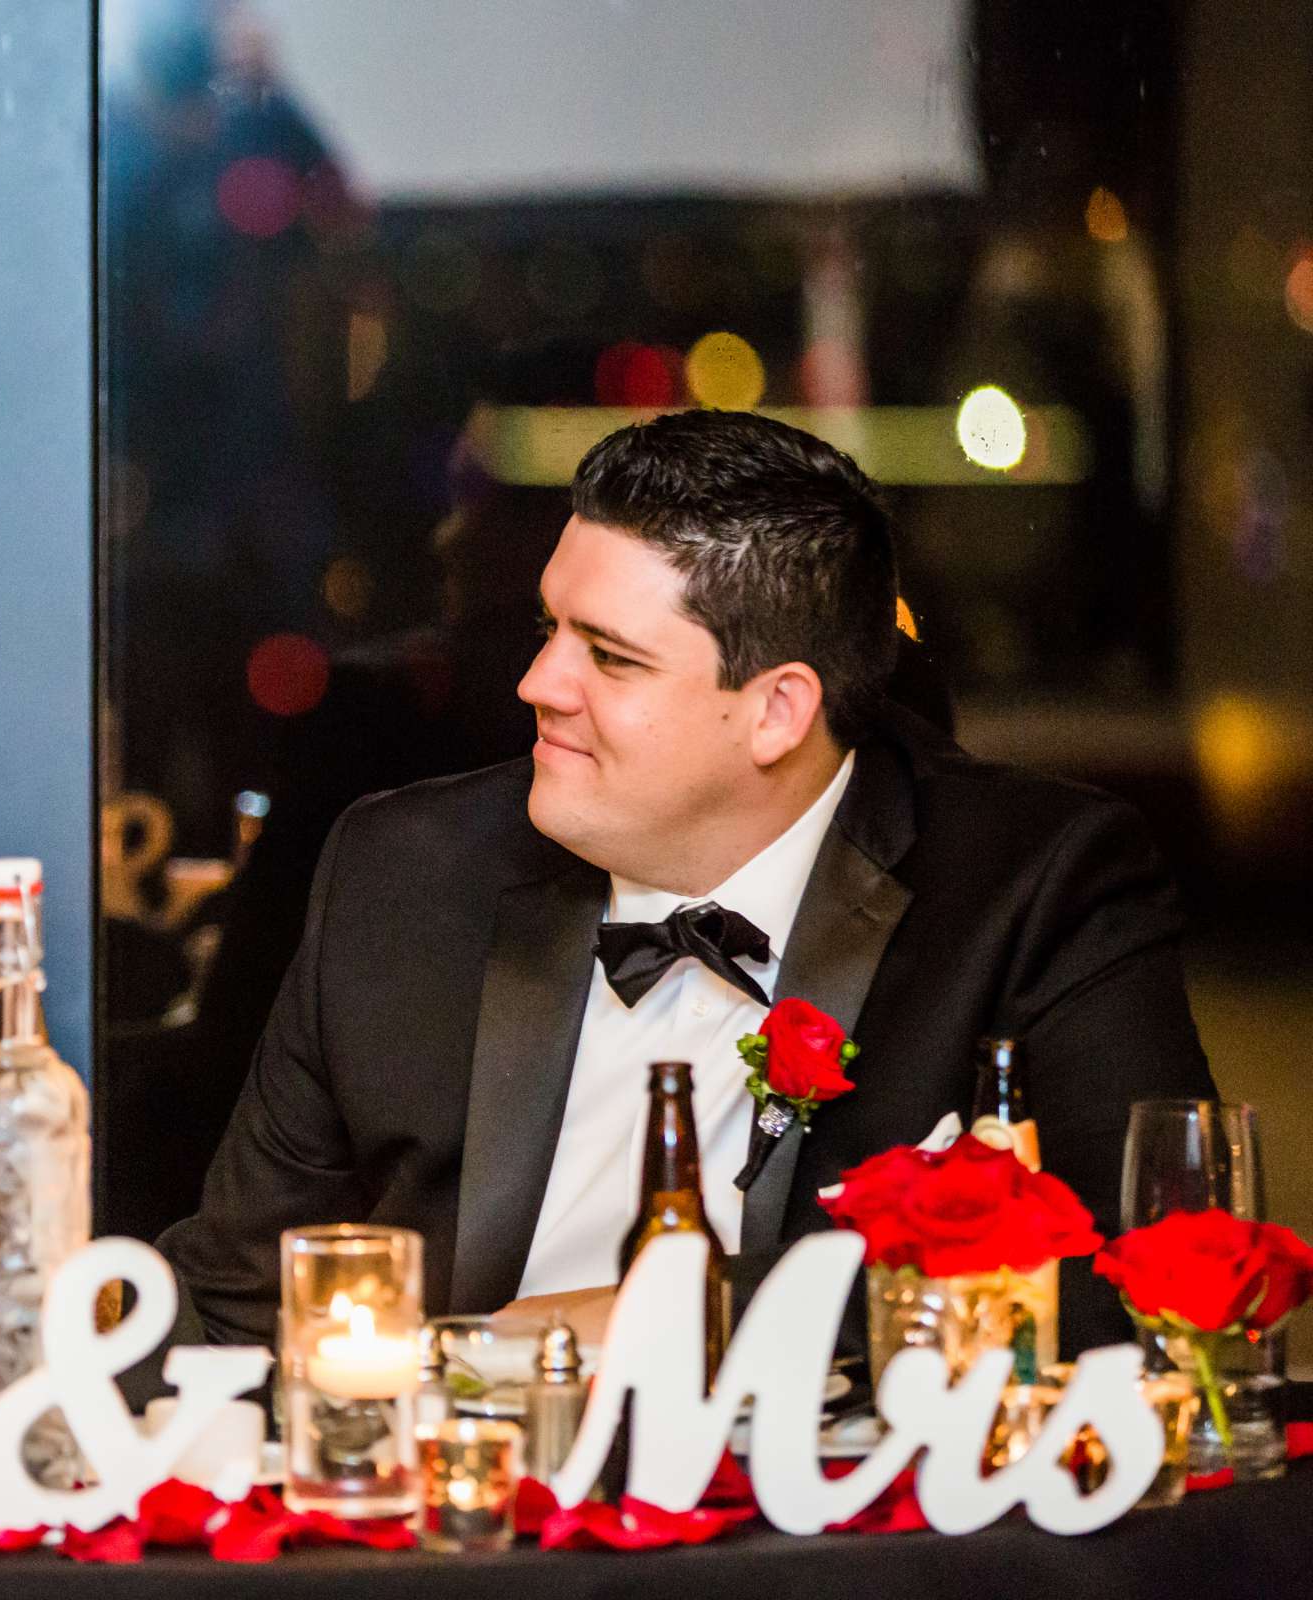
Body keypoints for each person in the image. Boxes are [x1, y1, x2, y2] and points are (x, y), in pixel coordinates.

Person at [151, 408, 1212, 1379]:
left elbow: (1150, 1286)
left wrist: (680, 1317)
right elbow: (236, 1298)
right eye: (548, 630)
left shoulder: (1033, 888)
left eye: (609, 658)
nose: (538, 685)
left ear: (776, 713)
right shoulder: (405, 870)